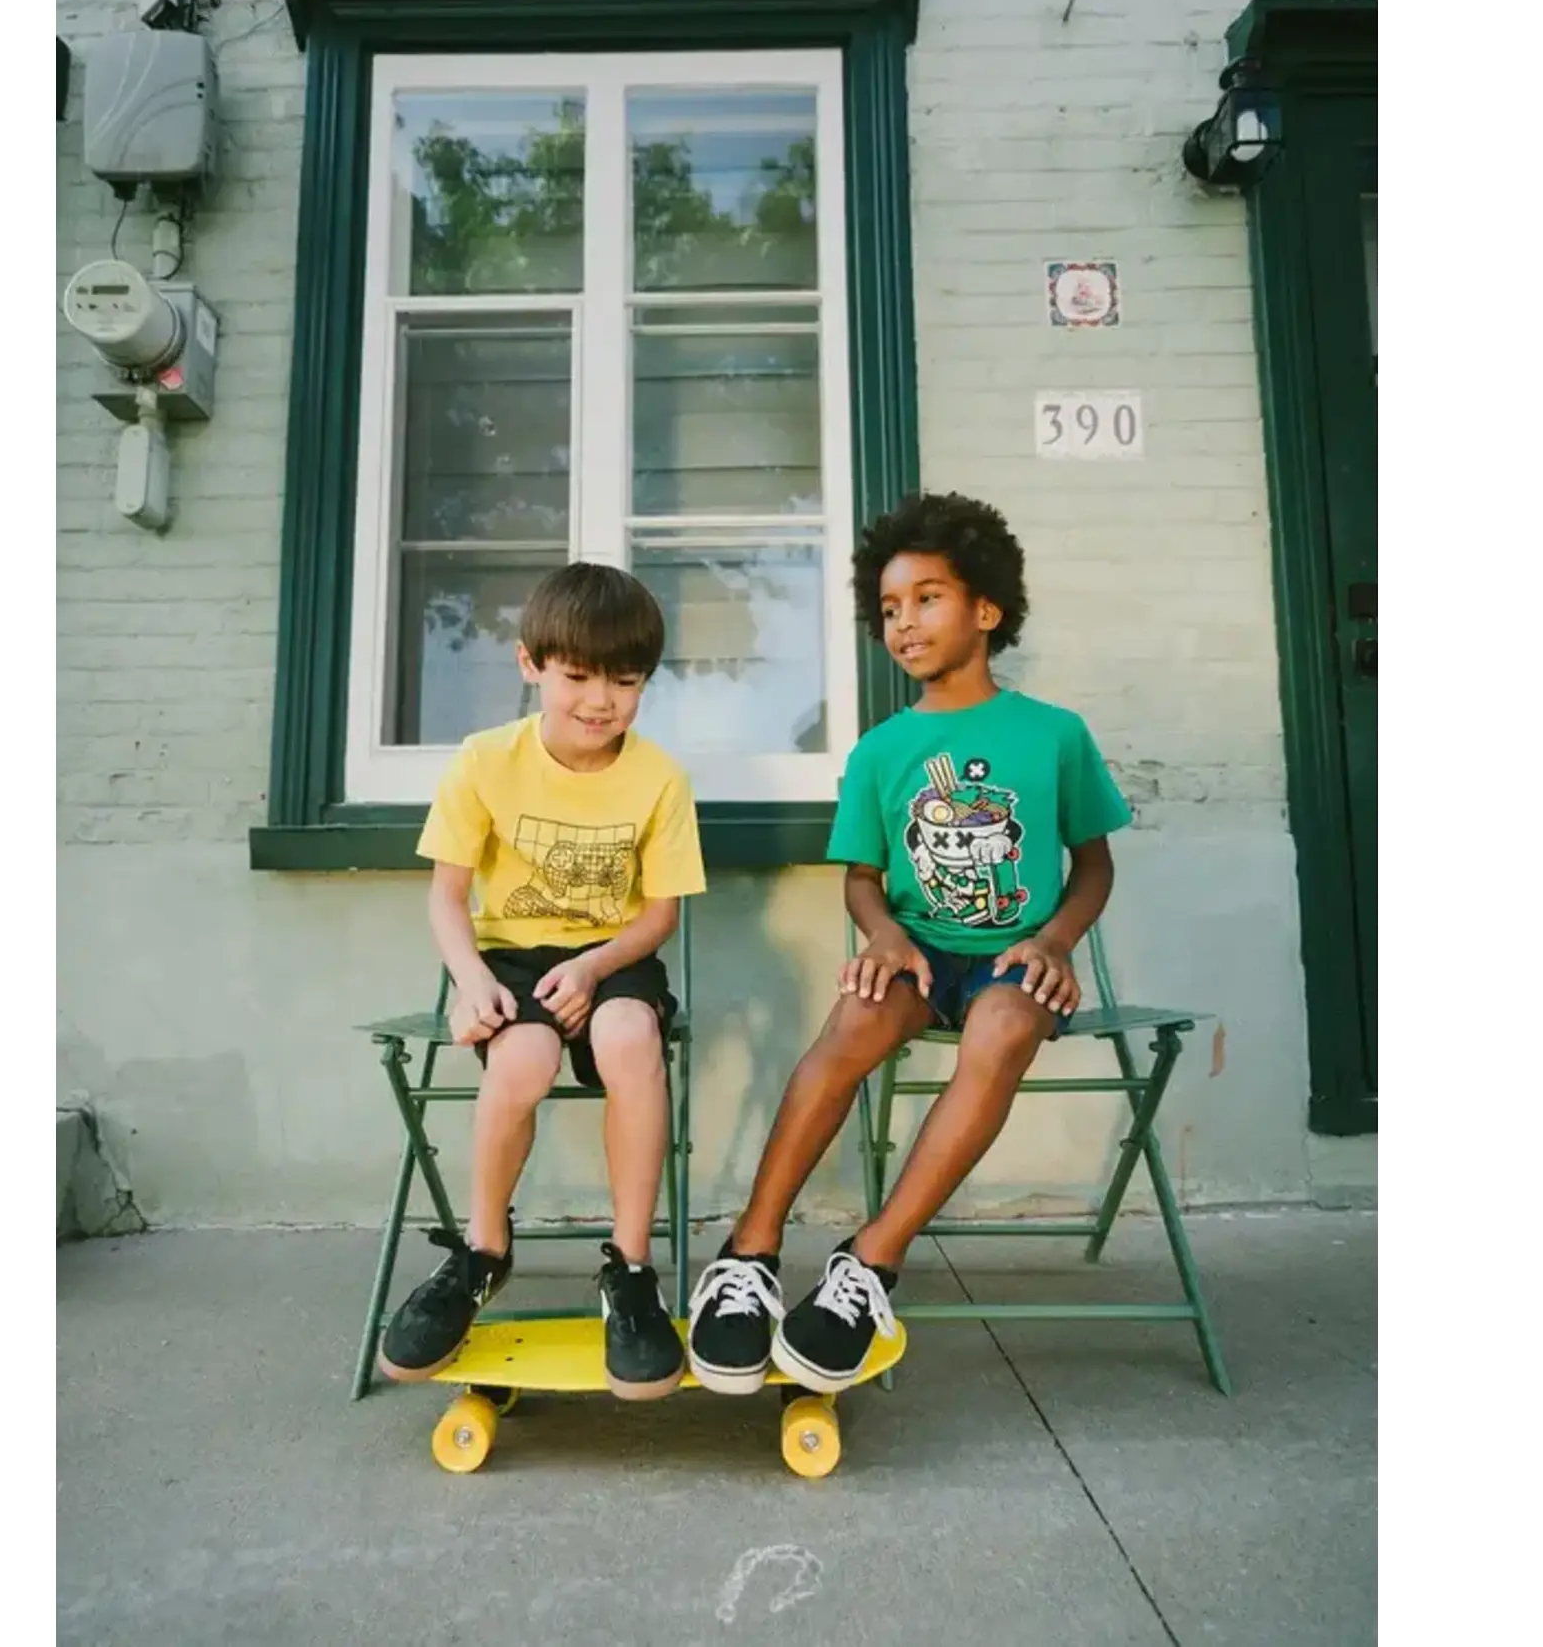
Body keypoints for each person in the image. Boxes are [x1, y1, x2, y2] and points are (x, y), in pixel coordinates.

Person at [686, 491, 1132, 1396]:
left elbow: (1093, 866)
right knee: (849, 1025)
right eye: (889, 608)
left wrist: (1054, 941)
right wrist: (883, 934)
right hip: (918, 954)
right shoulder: (882, 752)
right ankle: (749, 1253)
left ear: (986, 610)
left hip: (1014, 962)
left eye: (928, 597)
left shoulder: (1053, 735)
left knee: (1003, 1027)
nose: (904, 622)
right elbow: (860, 875)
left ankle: (868, 1266)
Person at [377, 563, 707, 1400]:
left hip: (614, 951)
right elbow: (448, 894)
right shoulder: (487, 760)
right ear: (531, 665)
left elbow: (660, 914)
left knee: (630, 1039)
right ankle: (484, 1255)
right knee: (520, 1060)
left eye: (625, 681)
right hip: (510, 958)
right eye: (578, 676)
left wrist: (597, 968)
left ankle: (630, 1270)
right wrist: (468, 981)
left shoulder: (660, 777)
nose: (601, 699)